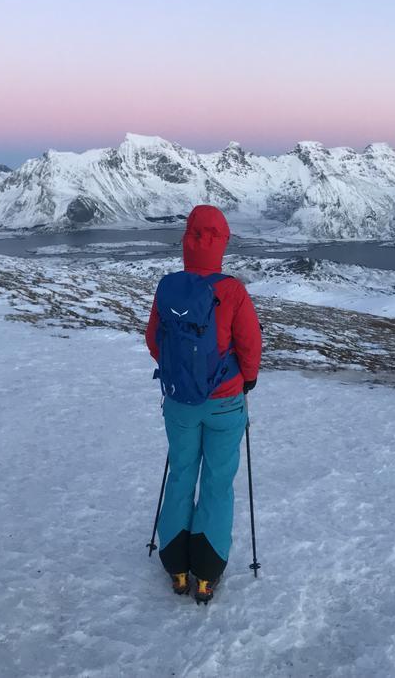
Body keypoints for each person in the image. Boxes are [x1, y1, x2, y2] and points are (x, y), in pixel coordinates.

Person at [145, 204, 262, 603]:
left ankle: (176, 566)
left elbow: (154, 341)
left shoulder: (167, 286)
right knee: (217, 483)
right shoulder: (232, 290)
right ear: (222, 244)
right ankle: (207, 573)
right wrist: (246, 380)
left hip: (179, 402)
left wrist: (180, 374)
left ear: (187, 243)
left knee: (180, 475)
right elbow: (249, 345)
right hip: (225, 403)